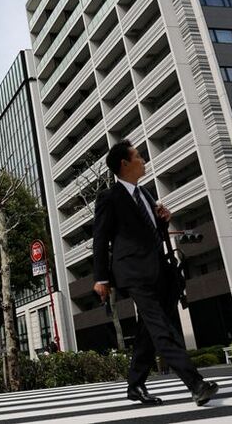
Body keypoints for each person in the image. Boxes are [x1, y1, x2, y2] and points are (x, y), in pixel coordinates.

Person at [93, 140, 218, 407]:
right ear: (124, 164)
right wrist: (100, 278)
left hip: (160, 269)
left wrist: (164, 219)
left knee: (148, 331)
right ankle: (195, 384)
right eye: (138, 156)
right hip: (133, 272)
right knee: (162, 327)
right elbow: (100, 239)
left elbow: (154, 233)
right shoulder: (109, 197)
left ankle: (135, 385)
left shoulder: (146, 193)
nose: (143, 159)